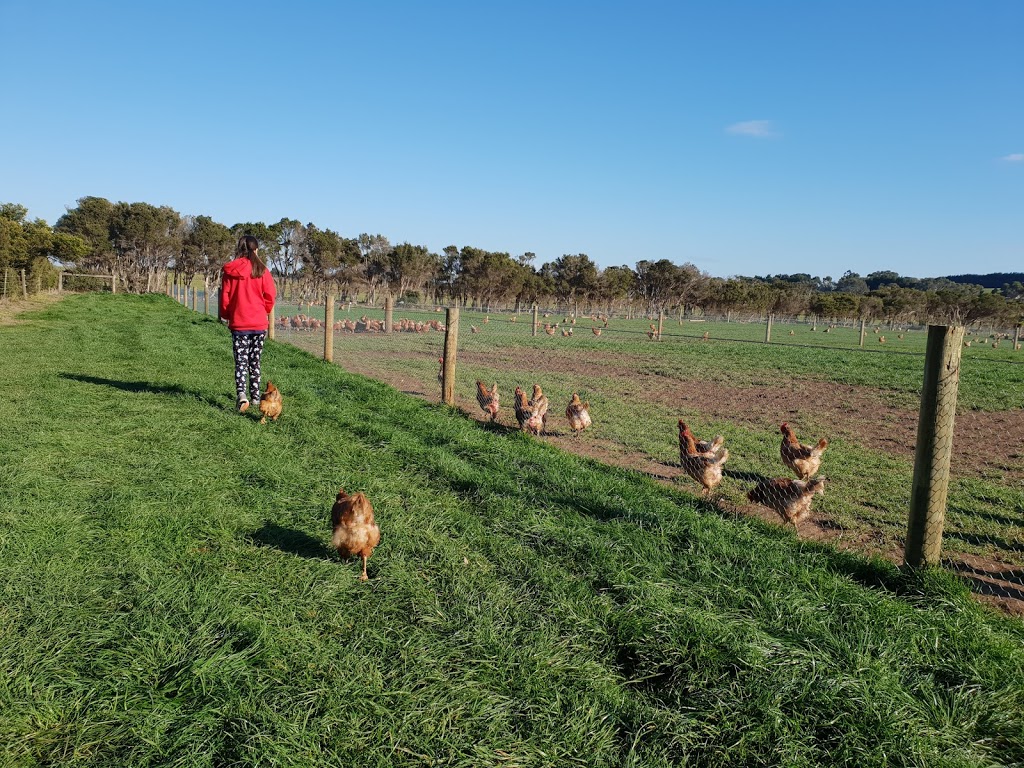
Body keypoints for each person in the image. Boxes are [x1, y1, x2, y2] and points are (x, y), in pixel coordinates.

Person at [219, 235, 276, 412]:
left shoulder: (230, 272)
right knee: (255, 361)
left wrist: (228, 315)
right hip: (258, 324)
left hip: (239, 324)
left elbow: (225, 298)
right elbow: (270, 296)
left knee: (241, 362)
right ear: (256, 249)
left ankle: (242, 395)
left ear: (239, 249)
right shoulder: (262, 270)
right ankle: (257, 398)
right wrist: (263, 311)